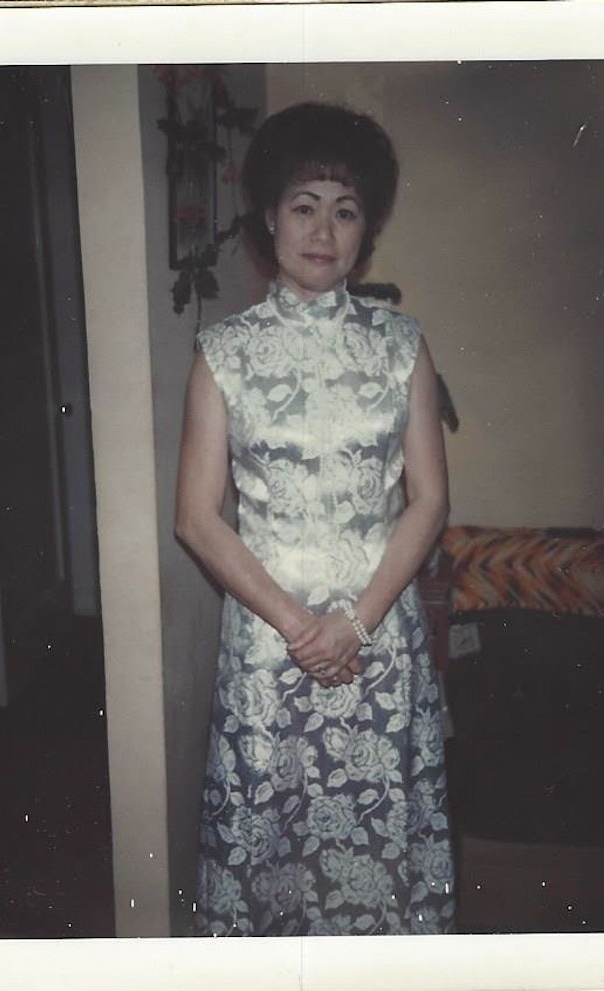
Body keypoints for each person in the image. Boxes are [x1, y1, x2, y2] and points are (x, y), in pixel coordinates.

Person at [175, 101, 455, 936]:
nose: (324, 229)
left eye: (346, 208)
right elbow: (197, 517)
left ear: (366, 226)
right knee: (275, 857)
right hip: (270, 646)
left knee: (383, 861)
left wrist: (357, 625)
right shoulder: (223, 353)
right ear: (270, 218)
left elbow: (430, 498)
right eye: (304, 205)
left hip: (378, 639)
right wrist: (304, 627)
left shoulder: (402, 342)